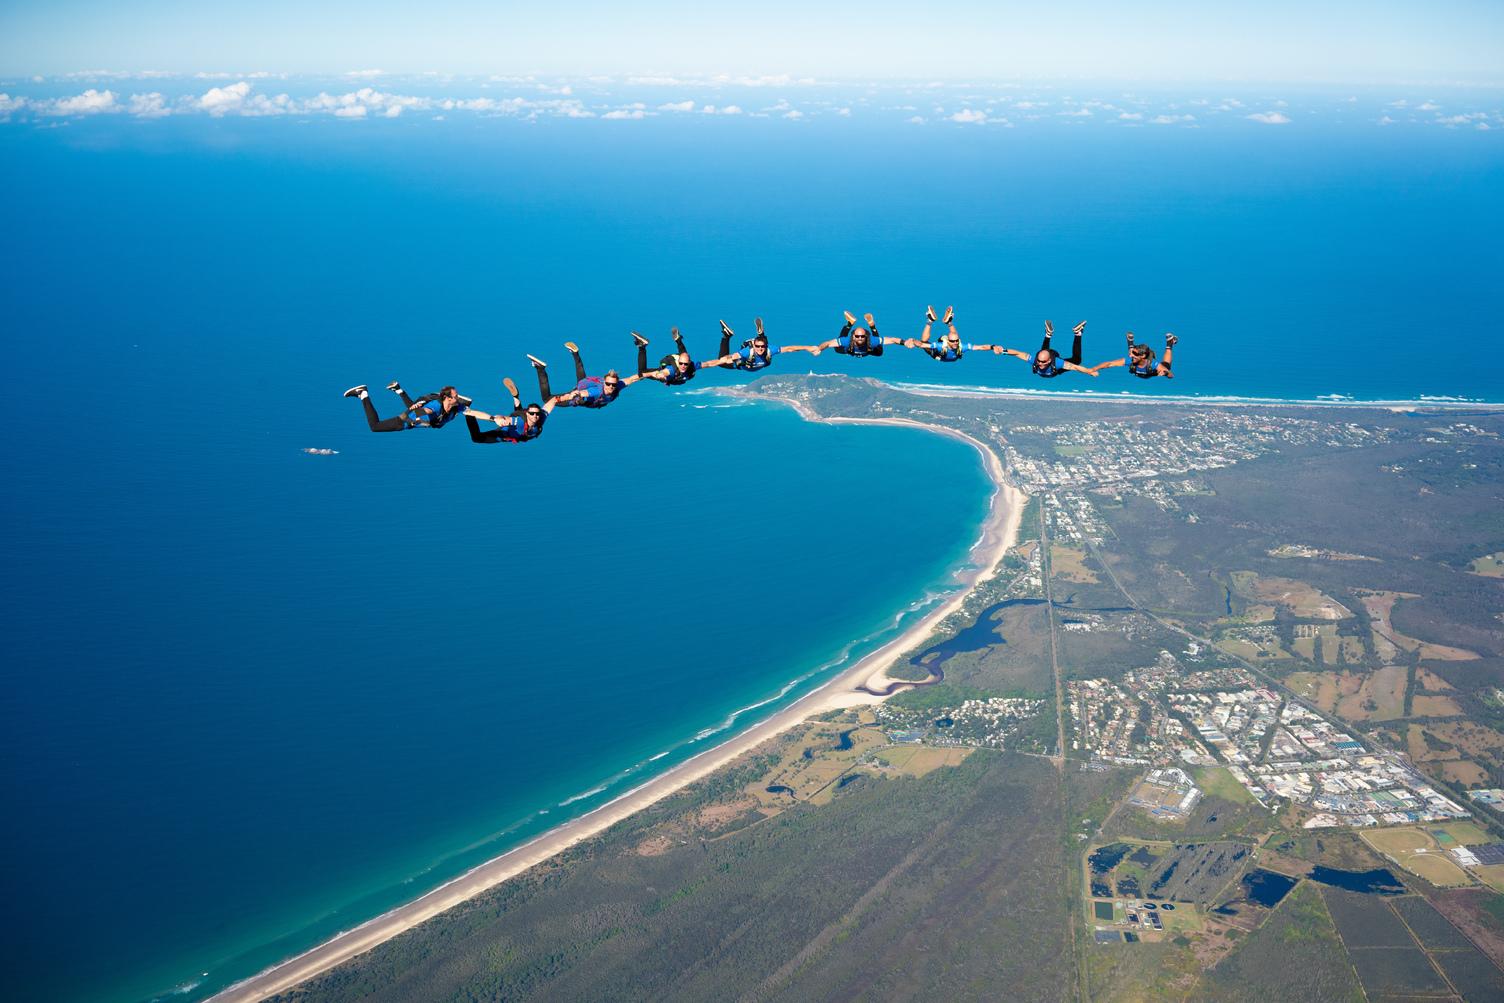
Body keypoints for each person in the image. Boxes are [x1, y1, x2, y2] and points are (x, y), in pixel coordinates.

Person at [535, 341, 644, 408]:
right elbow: (581, 393)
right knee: (547, 399)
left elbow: (633, 378)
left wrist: (656, 373)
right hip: (580, 397)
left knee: (582, 379)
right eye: (608, 384)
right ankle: (540, 369)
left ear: (617, 383)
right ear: (604, 382)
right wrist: (559, 399)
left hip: (585, 386)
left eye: (613, 385)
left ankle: (575, 353)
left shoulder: (618, 385)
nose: (611, 387)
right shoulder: (596, 391)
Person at [702, 317, 821, 372]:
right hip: (745, 362)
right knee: (723, 363)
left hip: (758, 360)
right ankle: (727, 336)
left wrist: (808, 348)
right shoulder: (747, 352)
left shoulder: (769, 349)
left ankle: (761, 333)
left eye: (762, 347)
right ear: (753, 346)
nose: (760, 348)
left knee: (765, 347)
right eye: (757, 346)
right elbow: (730, 357)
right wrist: (707, 364)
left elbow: (790, 348)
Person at [342, 382, 471, 432]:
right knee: (375, 426)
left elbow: (473, 411)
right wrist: (418, 419)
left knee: (415, 409)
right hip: (405, 422)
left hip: (418, 416)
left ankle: (398, 389)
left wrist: (491, 418)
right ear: (447, 398)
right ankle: (362, 393)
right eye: (456, 397)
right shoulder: (437, 408)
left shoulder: (454, 410)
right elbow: (420, 413)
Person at [463, 377, 556, 443]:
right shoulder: (519, 422)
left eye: (536, 413)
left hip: (519, 425)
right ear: (528, 413)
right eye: (532, 413)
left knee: (518, 414)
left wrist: (568, 397)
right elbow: (506, 419)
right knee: (477, 438)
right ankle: (466, 409)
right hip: (503, 433)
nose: (535, 415)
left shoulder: (540, 418)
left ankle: (516, 397)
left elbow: (552, 402)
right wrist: (497, 419)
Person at [999, 320, 1099, 379]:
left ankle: (1077, 333)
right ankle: (1048, 334)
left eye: (1043, 362)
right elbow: (1017, 353)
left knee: (1077, 360)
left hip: (1054, 360)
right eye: (1039, 361)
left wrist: (1089, 371)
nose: (1040, 364)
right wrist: (1002, 351)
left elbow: (1075, 367)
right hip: (1048, 357)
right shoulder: (1034, 360)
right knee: (1043, 352)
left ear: (1050, 360)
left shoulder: (1058, 363)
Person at [904, 305, 1004, 361]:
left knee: (954, 334)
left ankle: (948, 322)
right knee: (924, 341)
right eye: (953, 341)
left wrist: (993, 347)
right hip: (937, 355)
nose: (955, 342)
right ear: (947, 342)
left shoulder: (962, 346)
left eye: (956, 341)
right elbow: (921, 344)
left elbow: (981, 347)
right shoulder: (939, 346)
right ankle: (930, 320)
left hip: (950, 355)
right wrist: (913, 341)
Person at [810, 311, 904, 357]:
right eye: (857, 336)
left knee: (879, 351)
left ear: (866, 336)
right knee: (837, 349)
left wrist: (905, 342)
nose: (859, 338)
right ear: (853, 336)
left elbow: (892, 340)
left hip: (867, 350)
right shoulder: (847, 341)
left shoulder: (871, 341)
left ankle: (871, 326)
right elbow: (828, 343)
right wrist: (820, 349)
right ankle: (850, 323)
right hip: (852, 350)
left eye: (862, 336)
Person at [1089, 332, 1179, 379]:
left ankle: (1169, 344)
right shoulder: (1130, 360)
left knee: (1166, 364)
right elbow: (1109, 364)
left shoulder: (1153, 364)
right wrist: (1093, 369)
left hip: (1150, 373)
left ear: (1143, 356)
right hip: (1140, 372)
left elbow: (1171, 376)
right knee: (1131, 358)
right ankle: (1131, 344)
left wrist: (1166, 373)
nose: (1131, 355)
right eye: (1132, 352)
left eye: (1135, 353)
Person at [638, 327, 703, 386]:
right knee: (642, 373)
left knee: (683, 356)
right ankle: (642, 347)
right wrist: (628, 381)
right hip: (668, 365)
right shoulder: (670, 372)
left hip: (669, 367)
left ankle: (678, 340)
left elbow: (709, 364)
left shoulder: (675, 373)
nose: (683, 365)